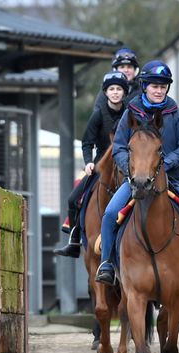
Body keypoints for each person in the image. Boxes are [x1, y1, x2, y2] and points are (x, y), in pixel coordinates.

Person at [95, 60, 179, 285]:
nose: (159, 91)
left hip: (170, 180)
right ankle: (107, 264)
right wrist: (132, 168)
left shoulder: (175, 114)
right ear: (145, 86)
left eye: (163, 86)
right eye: (154, 86)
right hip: (135, 180)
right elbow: (119, 146)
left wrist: (163, 165)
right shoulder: (131, 112)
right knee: (110, 214)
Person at [54, 71, 130, 258]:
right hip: (101, 165)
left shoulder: (131, 115)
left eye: (119, 89)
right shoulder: (97, 115)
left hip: (126, 164)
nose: (115, 92)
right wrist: (88, 162)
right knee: (73, 199)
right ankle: (74, 240)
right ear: (105, 92)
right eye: (111, 89)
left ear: (124, 92)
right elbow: (87, 142)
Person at [93, 47, 141, 112]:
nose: (126, 70)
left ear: (135, 70)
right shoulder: (106, 89)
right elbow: (97, 111)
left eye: (129, 67)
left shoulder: (142, 90)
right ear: (115, 70)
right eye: (122, 67)